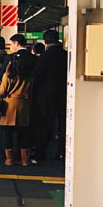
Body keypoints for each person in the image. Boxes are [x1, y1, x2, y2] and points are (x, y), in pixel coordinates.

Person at [0, 45, 34, 166]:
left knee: (7, 133)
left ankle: (9, 159)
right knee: (24, 134)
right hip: (23, 106)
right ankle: (24, 160)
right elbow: (31, 92)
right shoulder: (29, 77)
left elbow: (2, 92)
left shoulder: (8, 75)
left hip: (9, 106)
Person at [32, 29, 67, 160]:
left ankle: (40, 153)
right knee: (63, 125)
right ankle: (62, 152)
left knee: (44, 125)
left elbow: (38, 75)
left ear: (45, 41)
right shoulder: (66, 55)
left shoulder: (45, 56)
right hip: (64, 94)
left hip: (46, 96)